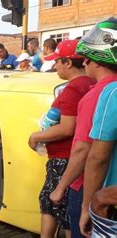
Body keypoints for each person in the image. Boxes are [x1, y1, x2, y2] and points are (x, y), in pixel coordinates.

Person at [28, 40, 95, 237]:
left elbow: (67, 128)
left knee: (54, 203)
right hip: (73, 159)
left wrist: (36, 136)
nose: (54, 65)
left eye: (57, 61)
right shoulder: (89, 84)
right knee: (64, 207)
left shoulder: (75, 88)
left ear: (68, 63)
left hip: (63, 159)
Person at [75, 18, 117, 237]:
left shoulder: (111, 93)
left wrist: (88, 207)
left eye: (87, 59)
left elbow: (97, 158)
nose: (83, 64)